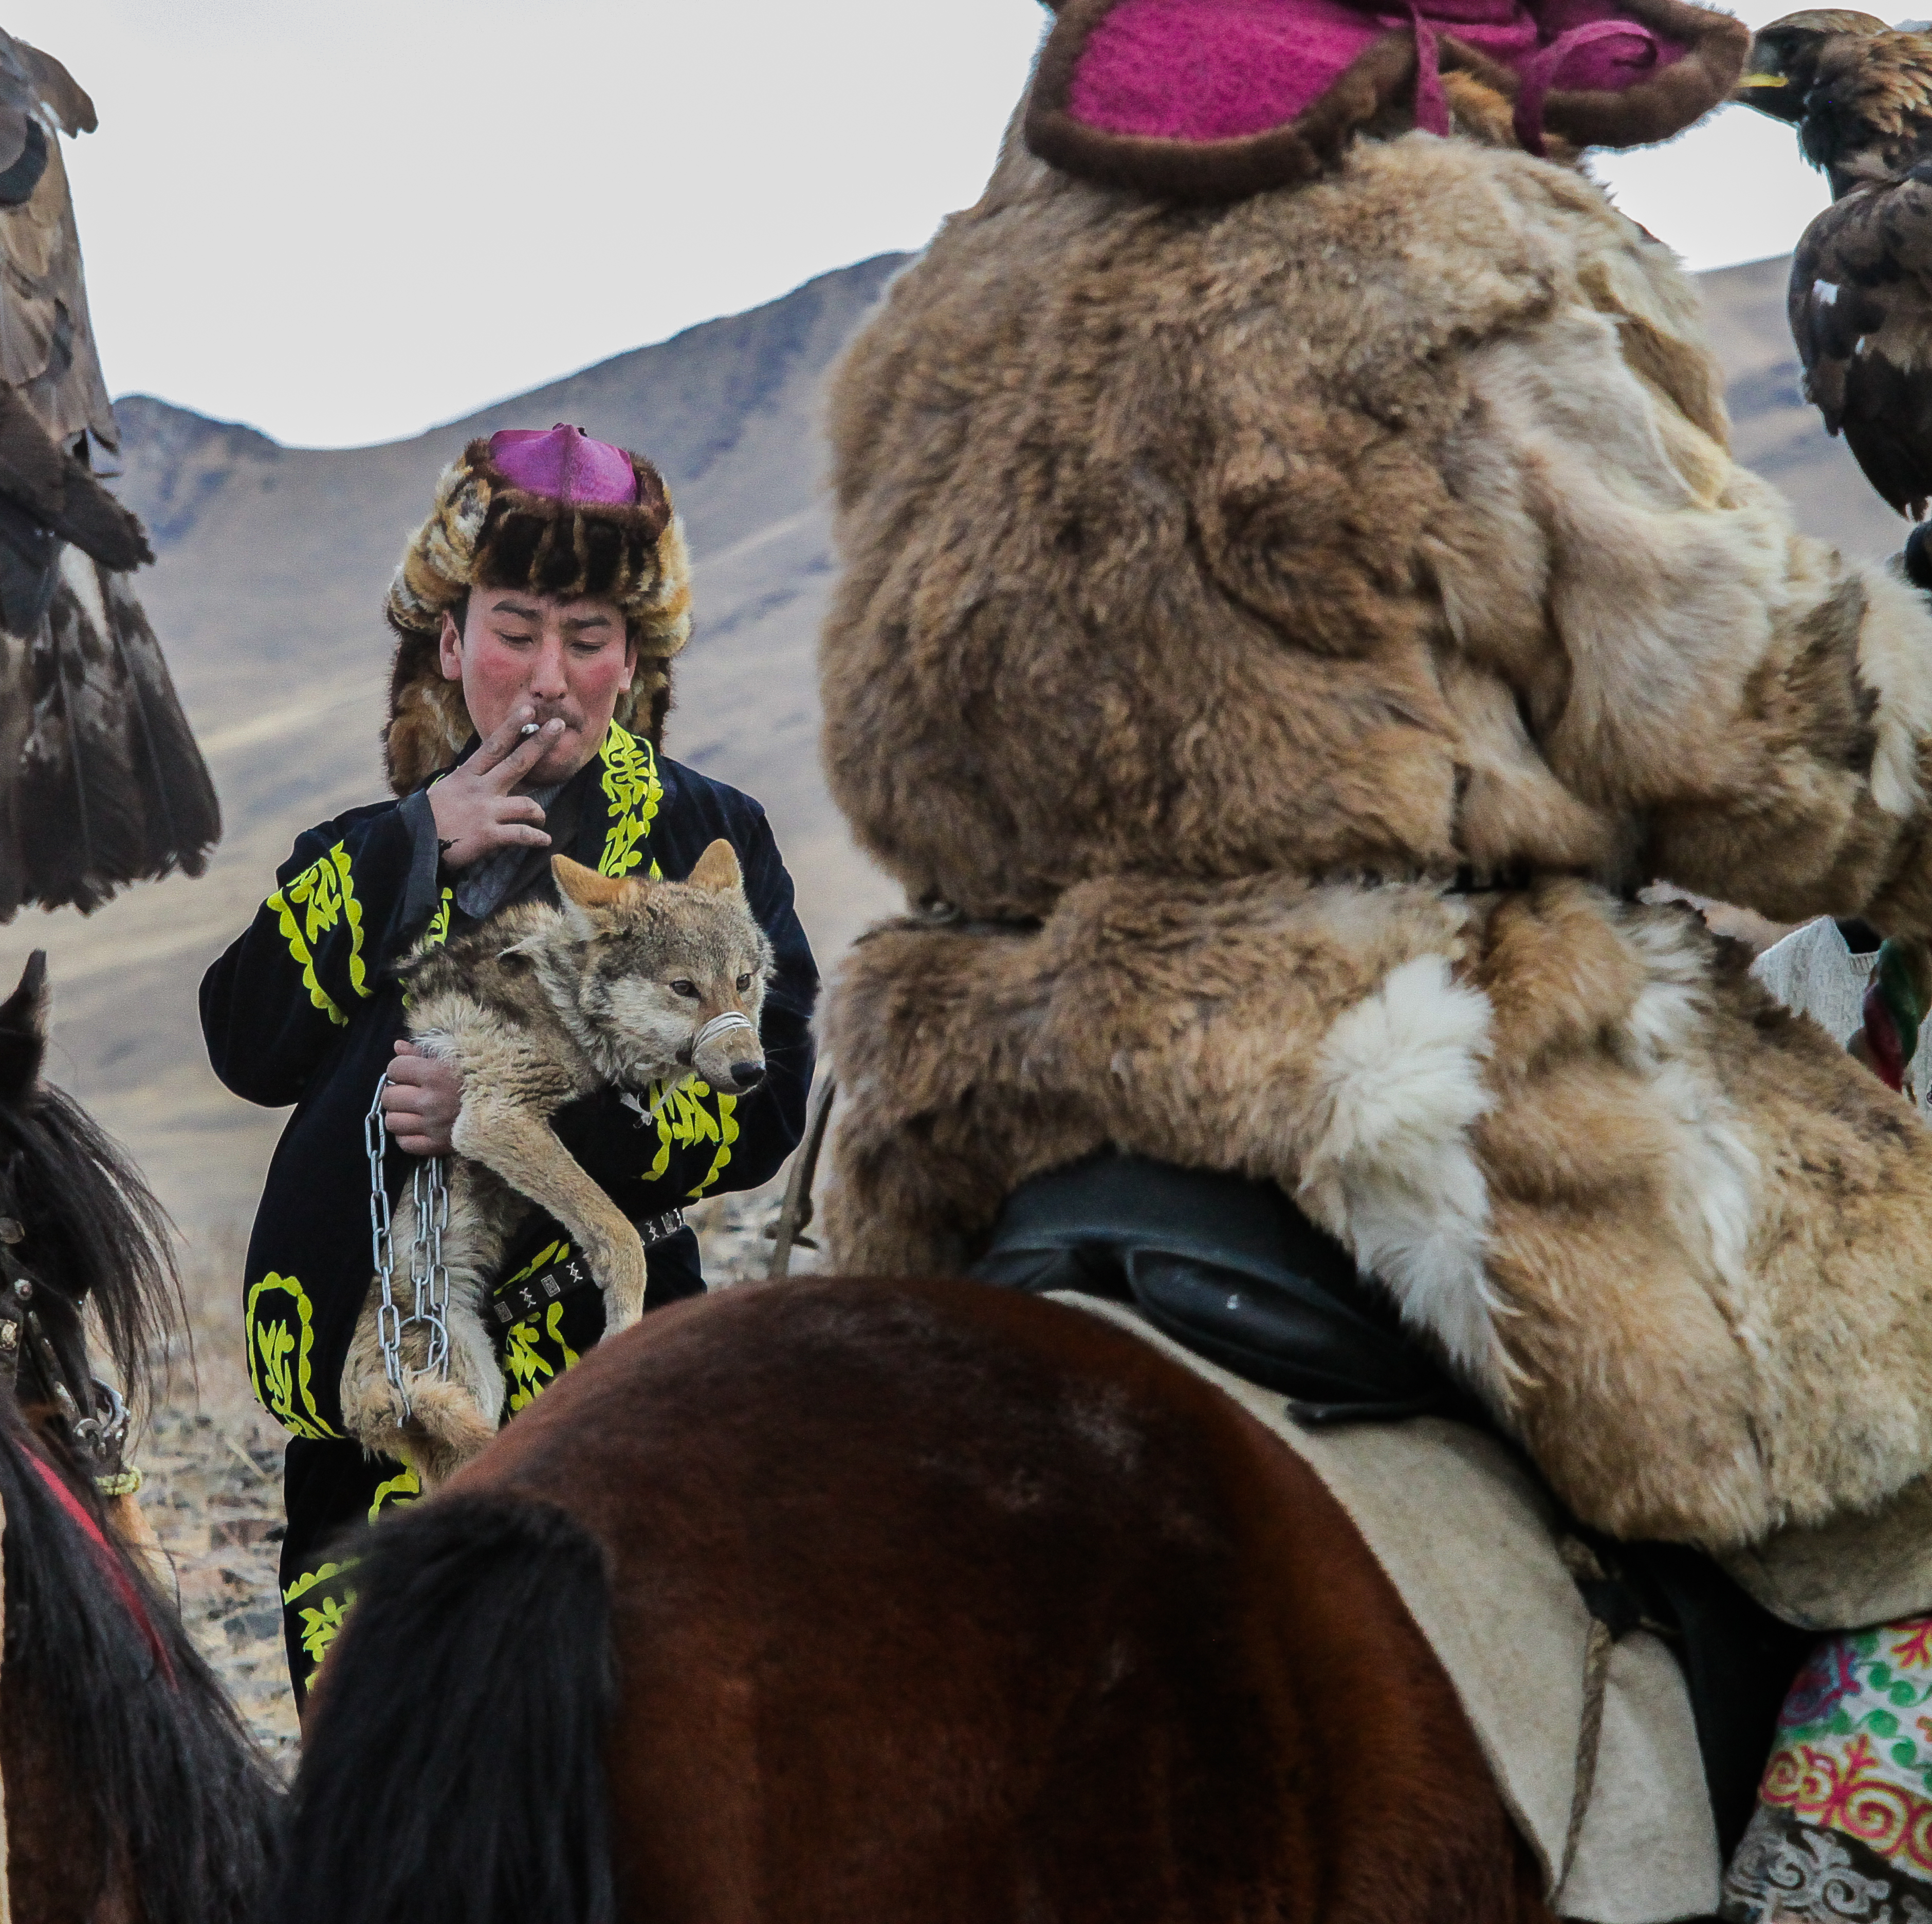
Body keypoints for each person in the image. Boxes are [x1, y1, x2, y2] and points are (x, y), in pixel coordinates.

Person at [808, 0, 1932, 1908]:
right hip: (1414, 1089)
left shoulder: (954, 302)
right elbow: (1735, 726)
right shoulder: (1459, 260)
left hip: (980, 1110)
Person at [199, 424, 818, 1698]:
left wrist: (519, 1119)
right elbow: (247, 1044)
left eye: (588, 638)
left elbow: (769, 1101)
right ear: (449, 640)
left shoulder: (709, 835)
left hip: (611, 1392)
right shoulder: (360, 844)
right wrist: (415, 842)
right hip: (365, 1442)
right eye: (515, 628)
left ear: (632, 660)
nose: (548, 676)